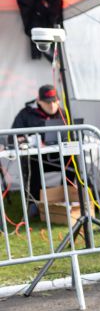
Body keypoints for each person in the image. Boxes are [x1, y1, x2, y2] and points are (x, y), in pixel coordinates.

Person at [11, 84, 64, 217]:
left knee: (75, 160)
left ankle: (68, 196)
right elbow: (12, 137)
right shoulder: (25, 114)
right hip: (36, 159)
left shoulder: (63, 113)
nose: (52, 105)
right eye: (48, 102)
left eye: (54, 101)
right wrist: (25, 140)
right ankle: (34, 204)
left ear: (58, 100)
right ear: (39, 101)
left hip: (59, 157)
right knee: (33, 164)